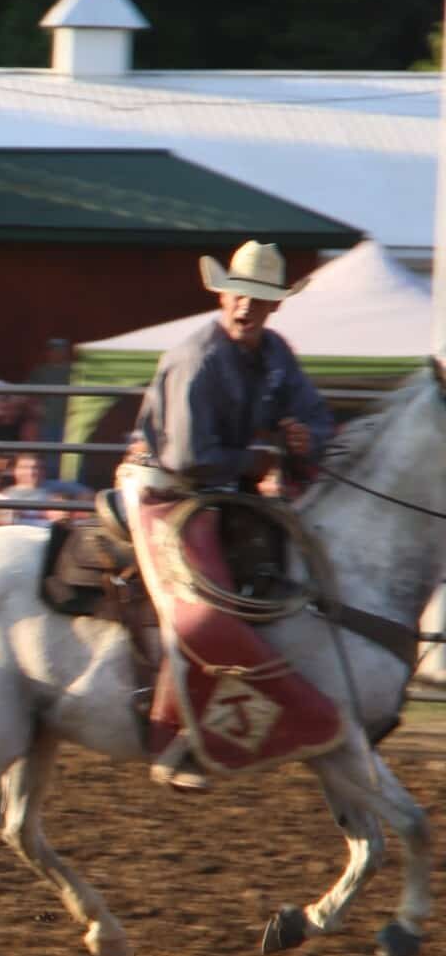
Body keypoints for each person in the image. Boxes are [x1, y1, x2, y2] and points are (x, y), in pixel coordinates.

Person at [123, 240, 339, 792]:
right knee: (202, 609)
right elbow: (185, 458)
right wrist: (261, 457)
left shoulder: (276, 355)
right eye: (240, 295)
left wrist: (306, 437)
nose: (247, 306)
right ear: (223, 296)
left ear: (275, 306)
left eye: (259, 298)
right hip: (167, 490)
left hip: (225, 491)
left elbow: (315, 415)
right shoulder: (197, 359)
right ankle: (176, 734)